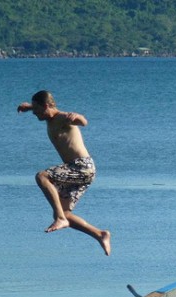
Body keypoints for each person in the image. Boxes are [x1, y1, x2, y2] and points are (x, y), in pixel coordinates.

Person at [17, 90, 111, 255]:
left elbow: (83, 122)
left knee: (42, 176)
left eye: (37, 110)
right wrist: (29, 107)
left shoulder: (61, 117)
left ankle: (59, 218)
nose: (35, 114)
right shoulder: (48, 115)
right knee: (66, 212)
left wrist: (78, 117)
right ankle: (100, 234)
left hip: (81, 166)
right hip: (82, 170)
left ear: (46, 106)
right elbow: (37, 107)